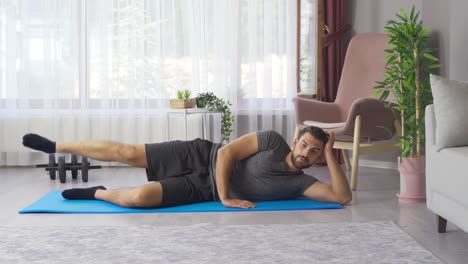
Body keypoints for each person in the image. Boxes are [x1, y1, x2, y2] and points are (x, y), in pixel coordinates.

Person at [22, 126, 352, 209]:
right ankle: (56, 145)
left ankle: (97, 193)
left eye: (316, 152)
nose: (307, 153)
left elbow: (342, 197)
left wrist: (334, 154)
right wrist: (225, 197)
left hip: (202, 188)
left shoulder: (302, 183)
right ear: (296, 140)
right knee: (127, 152)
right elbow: (225, 155)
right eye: (305, 145)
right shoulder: (272, 140)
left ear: (320, 156)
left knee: (138, 198)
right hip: (200, 156)